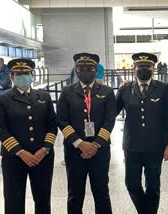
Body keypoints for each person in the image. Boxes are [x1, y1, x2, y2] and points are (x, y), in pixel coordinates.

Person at [0, 58, 58, 214]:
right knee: (13, 200)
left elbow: (52, 125)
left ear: (32, 75)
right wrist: (21, 152)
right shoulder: (3, 98)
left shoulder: (44, 97)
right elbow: (1, 128)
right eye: (19, 74)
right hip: (14, 158)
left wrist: (44, 149)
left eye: (27, 74)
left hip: (42, 157)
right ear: (12, 77)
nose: (23, 77)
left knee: (43, 199)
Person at [57, 52, 116, 214]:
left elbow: (110, 121)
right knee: (75, 193)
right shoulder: (67, 91)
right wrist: (79, 143)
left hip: (100, 149)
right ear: (76, 70)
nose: (85, 71)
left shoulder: (107, 91)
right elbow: (62, 120)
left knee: (101, 192)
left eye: (89, 68)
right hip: (74, 150)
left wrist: (95, 144)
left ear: (96, 70)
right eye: (81, 68)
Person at [116, 52, 168, 214]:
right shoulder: (125, 89)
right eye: (140, 66)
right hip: (132, 146)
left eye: (147, 66)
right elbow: (111, 113)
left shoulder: (164, 89)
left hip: (155, 146)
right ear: (134, 68)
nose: (143, 69)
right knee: (131, 184)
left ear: (153, 68)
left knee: (153, 186)